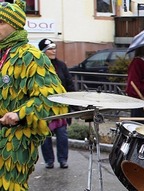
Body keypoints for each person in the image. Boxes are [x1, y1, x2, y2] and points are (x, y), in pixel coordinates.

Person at [0, 1, 68, 190]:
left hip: (16, 139)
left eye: (0, 22)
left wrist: (19, 114)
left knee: (9, 185)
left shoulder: (32, 56)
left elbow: (53, 99)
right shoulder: (2, 54)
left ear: (15, 25)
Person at [38, 38, 74, 169]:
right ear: (44, 51)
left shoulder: (61, 66)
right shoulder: (38, 65)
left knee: (62, 134)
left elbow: (69, 84)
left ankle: (63, 159)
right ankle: (49, 161)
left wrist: (73, 105)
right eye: (50, 49)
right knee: (45, 136)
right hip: (44, 107)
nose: (54, 51)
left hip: (61, 108)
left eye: (54, 48)